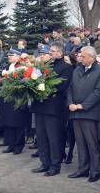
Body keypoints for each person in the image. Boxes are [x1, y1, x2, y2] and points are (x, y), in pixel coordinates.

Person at [31, 42, 73, 177]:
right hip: (40, 107)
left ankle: (55, 165)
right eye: (50, 51)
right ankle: (45, 163)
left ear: (60, 53)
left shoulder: (66, 67)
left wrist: (44, 86)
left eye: (53, 51)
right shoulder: (44, 66)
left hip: (54, 108)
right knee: (42, 137)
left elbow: (62, 86)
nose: (51, 53)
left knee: (54, 138)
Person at [67, 46, 100, 182]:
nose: (80, 58)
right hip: (75, 112)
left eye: (83, 56)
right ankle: (83, 169)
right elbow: (70, 88)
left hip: (90, 113)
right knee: (80, 143)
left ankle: (95, 170)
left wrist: (82, 106)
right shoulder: (77, 69)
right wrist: (71, 103)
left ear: (92, 57)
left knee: (92, 143)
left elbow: (99, 91)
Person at [0, 49, 31, 155]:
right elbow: (1, 79)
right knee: (9, 124)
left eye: (12, 55)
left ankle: (18, 145)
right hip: (8, 99)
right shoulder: (8, 67)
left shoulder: (22, 67)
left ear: (18, 56)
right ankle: (11, 145)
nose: (9, 57)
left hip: (18, 99)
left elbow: (25, 82)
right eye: (9, 56)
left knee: (18, 124)